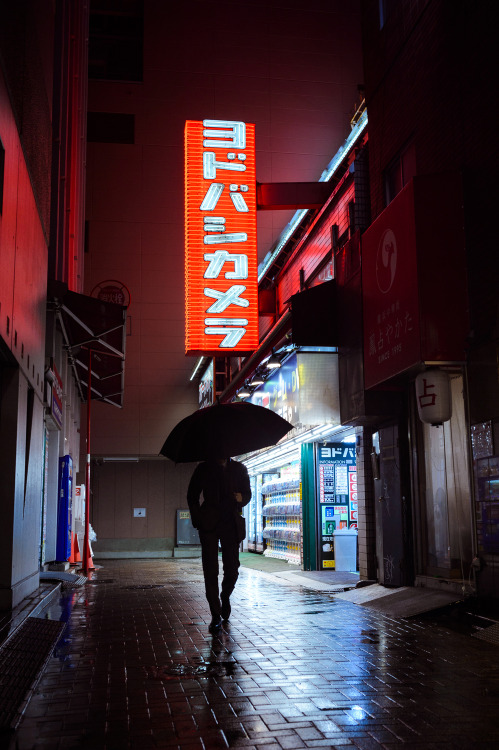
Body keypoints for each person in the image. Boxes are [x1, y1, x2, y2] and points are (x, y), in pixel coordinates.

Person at [187, 457, 251, 633]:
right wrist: (198, 518)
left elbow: (248, 493)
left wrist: (242, 498)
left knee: (232, 569)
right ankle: (215, 614)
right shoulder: (203, 468)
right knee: (210, 570)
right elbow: (192, 495)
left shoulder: (239, 468)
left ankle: (225, 595)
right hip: (208, 524)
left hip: (230, 522)